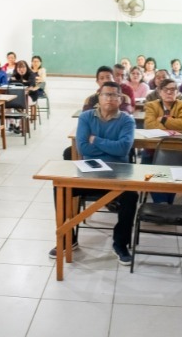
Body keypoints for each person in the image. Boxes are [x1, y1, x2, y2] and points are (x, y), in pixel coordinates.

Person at [50, 81, 138, 265]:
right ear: (99, 96)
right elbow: (83, 147)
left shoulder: (127, 120)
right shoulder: (86, 117)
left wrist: (95, 140)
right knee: (60, 189)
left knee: (131, 196)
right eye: (106, 94)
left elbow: (123, 149)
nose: (110, 98)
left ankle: (121, 243)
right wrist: (108, 148)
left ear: (120, 99)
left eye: (114, 95)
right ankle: (68, 239)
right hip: (89, 171)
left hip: (117, 173)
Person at [143, 78, 182, 203]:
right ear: (160, 92)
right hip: (154, 147)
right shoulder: (151, 105)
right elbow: (149, 125)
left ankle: (166, 202)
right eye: (166, 90)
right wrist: (171, 126)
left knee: (172, 171)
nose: (169, 93)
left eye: (173, 90)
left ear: (177, 92)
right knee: (150, 170)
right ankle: (161, 202)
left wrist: (163, 119)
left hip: (176, 148)